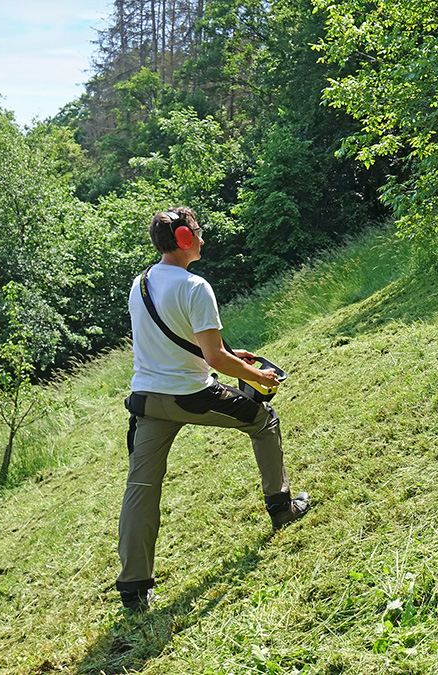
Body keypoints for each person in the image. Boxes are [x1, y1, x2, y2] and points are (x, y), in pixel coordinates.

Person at [116, 206, 310, 612]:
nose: (203, 239)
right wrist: (258, 378)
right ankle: (281, 506)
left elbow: (188, 348)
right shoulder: (195, 285)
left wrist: (222, 355)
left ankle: (134, 588)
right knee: (264, 420)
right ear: (185, 238)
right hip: (191, 396)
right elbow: (217, 361)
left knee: (140, 489)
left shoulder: (141, 284)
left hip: (147, 401)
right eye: (198, 232)